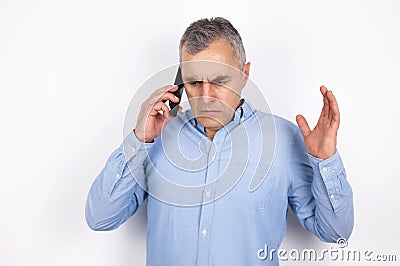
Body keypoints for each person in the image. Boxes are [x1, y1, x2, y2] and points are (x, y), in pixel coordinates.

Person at [85, 17, 354, 265]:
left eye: (220, 80)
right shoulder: (157, 139)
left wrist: (324, 161)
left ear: (245, 74)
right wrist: (139, 140)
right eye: (194, 82)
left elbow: (335, 232)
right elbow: (100, 218)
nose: (206, 96)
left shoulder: (284, 140)